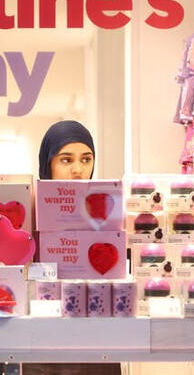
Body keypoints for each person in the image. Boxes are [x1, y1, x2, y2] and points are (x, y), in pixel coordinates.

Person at [25, 120, 120, 375]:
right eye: (66, 160)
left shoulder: (106, 212)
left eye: (86, 159)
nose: (78, 170)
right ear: (48, 163)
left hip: (97, 340)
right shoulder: (29, 214)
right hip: (43, 342)